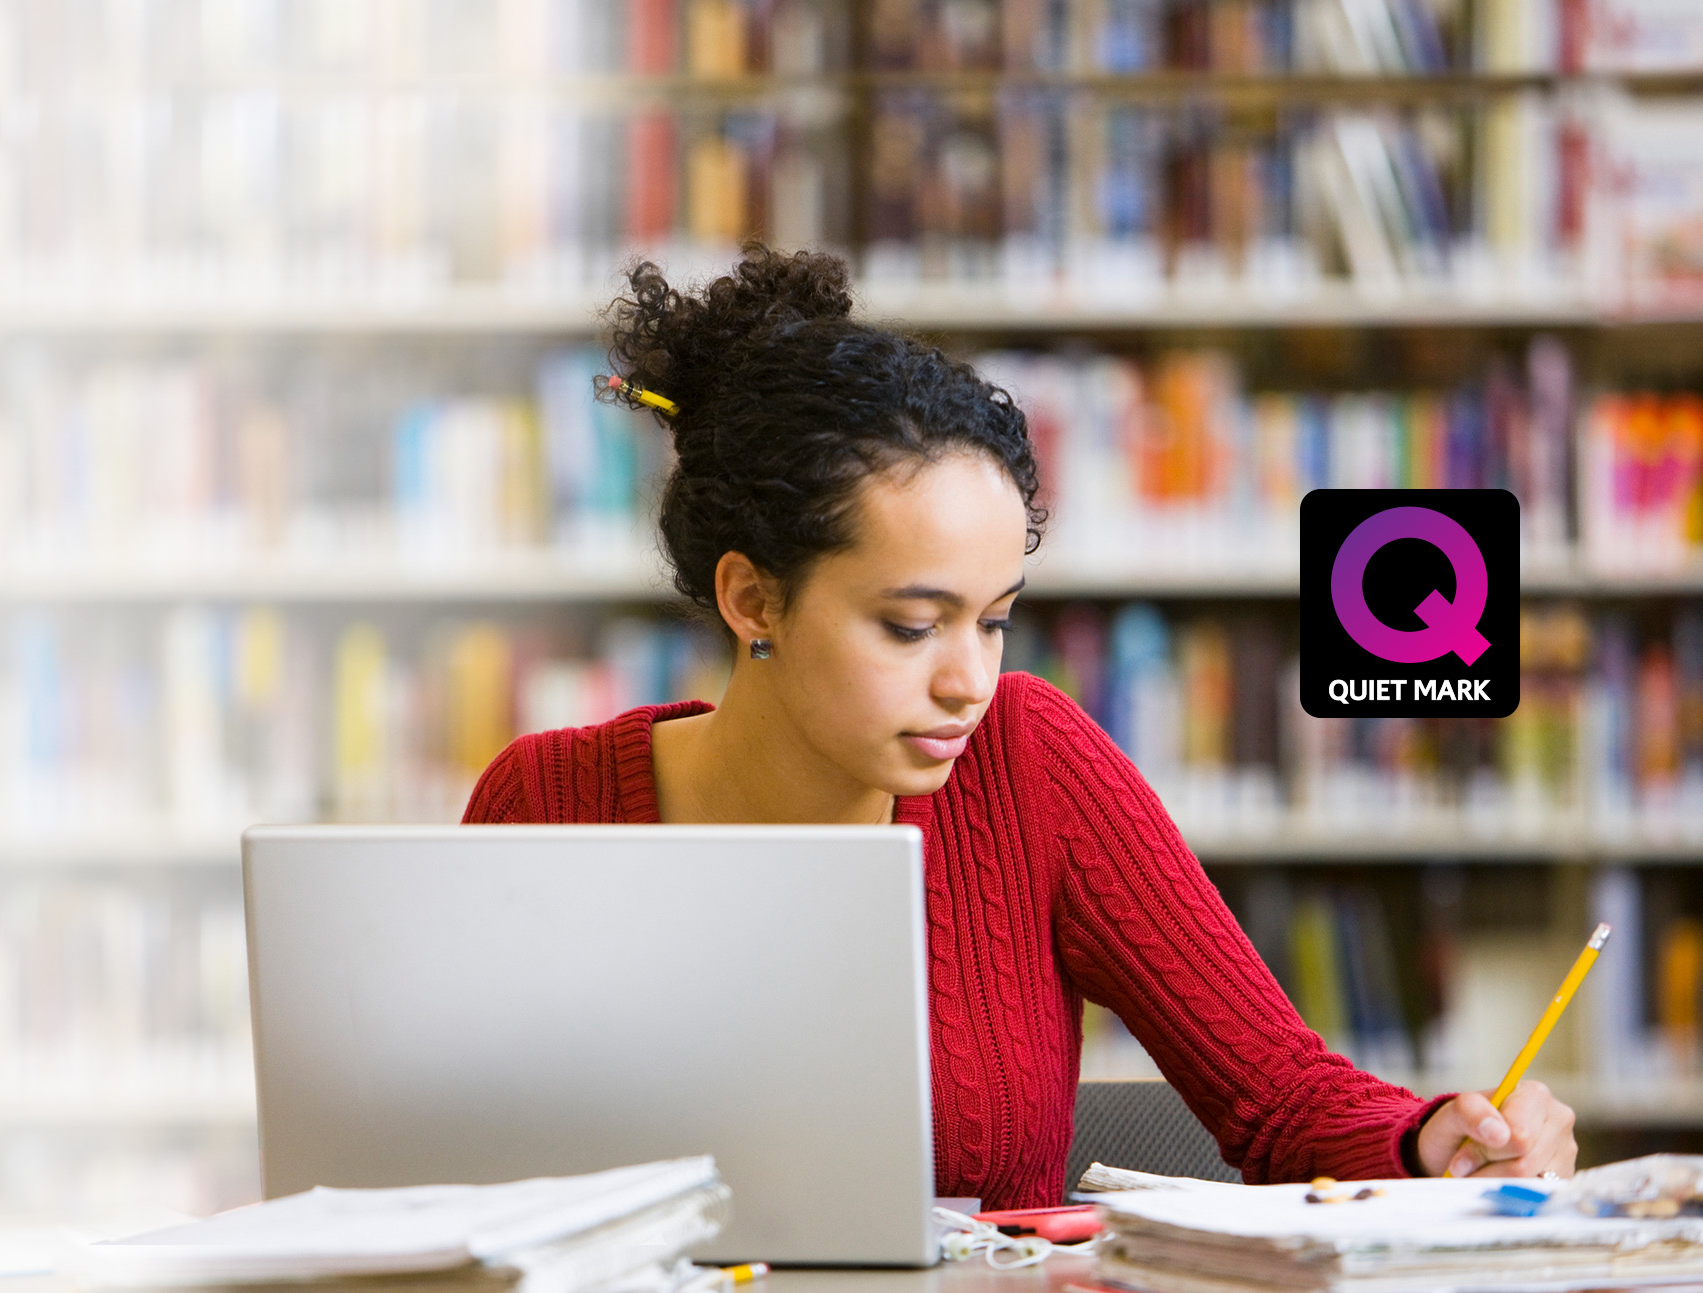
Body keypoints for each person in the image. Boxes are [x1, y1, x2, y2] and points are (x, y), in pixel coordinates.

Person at [462, 243, 1577, 1208]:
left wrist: (1426, 1139)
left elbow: (1280, 1099)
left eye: (992, 623)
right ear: (752, 599)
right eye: (910, 627)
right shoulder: (542, 804)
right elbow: (452, 1163)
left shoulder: (1029, 762)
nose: (968, 682)